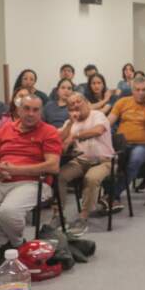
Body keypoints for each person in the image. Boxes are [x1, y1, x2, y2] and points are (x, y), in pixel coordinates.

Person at [0, 94, 62, 266]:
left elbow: (53, 166)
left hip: (32, 182)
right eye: (26, 109)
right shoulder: (6, 128)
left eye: (35, 110)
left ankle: (17, 245)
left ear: (41, 112)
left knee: (7, 213)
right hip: (0, 180)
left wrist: (15, 170)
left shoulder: (49, 131)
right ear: (19, 110)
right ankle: (5, 246)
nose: (30, 113)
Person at [56, 93, 114, 236]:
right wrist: (70, 124)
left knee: (91, 178)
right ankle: (58, 215)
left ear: (87, 103)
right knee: (60, 176)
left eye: (78, 101)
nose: (75, 105)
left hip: (103, 161)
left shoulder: (97, 115)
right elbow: (60, 144)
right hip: (80, 161)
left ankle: (83, 217)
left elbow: (98, 130)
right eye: (71, 104)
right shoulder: (70, 122)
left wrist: (75, 136)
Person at [107, 76, 145, 211]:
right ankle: (112, 196)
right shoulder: (123, 102)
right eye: (137, 90)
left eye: (144, 90)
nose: (140, 93)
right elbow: (108, 122)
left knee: (136, 159)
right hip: (121, 143)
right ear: (132, 90)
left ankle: (111, 195)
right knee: (106, 162)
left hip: (143, 144)